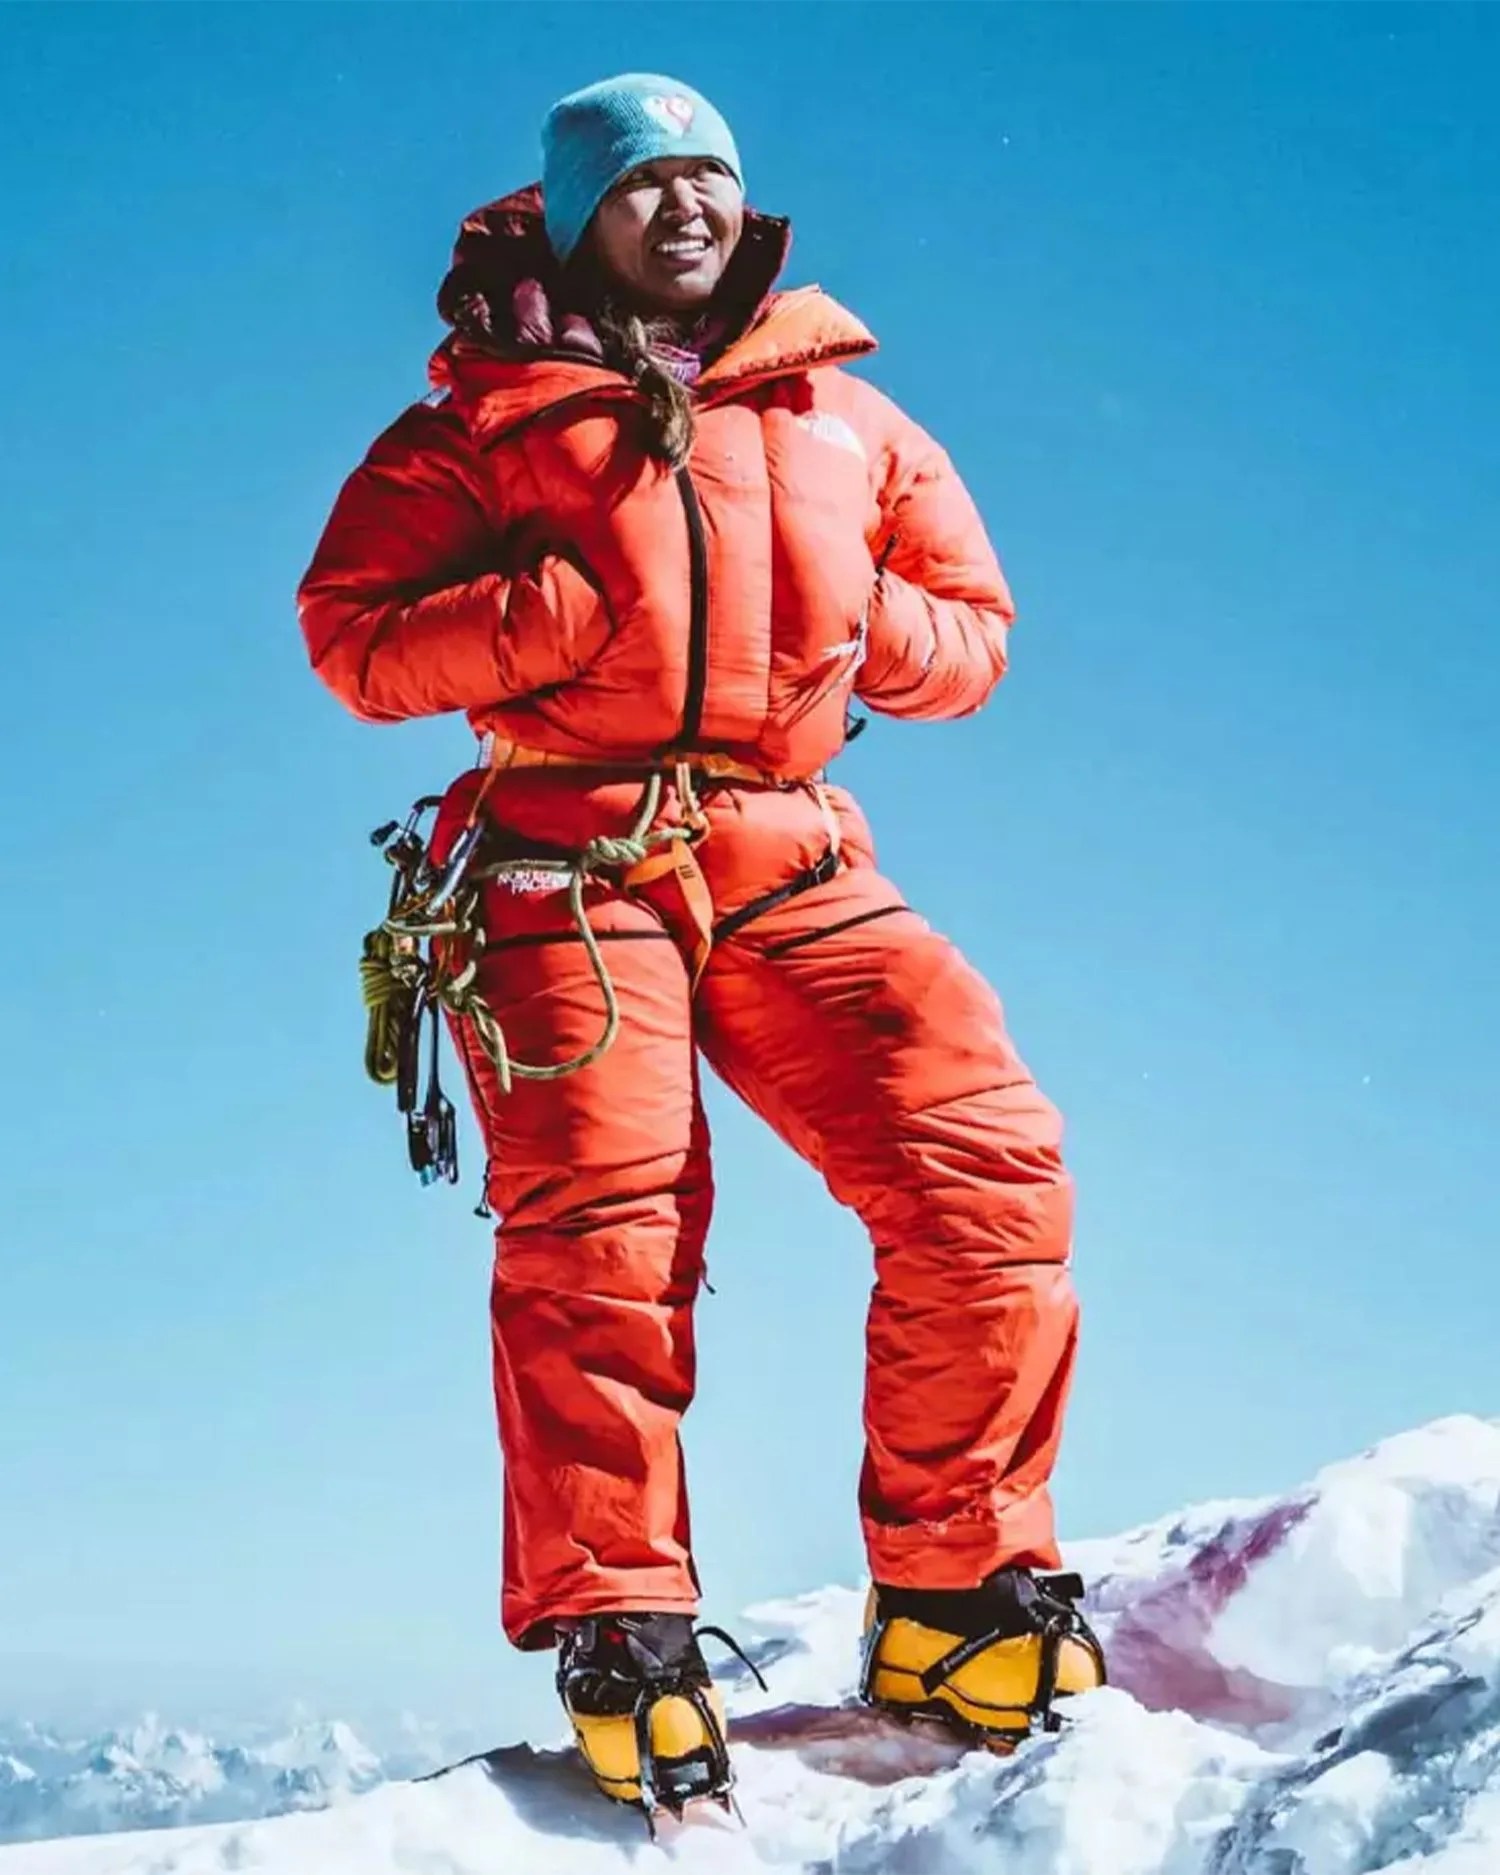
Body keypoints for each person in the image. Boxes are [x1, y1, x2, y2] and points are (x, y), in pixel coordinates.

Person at [299, 73, 1104, 1819]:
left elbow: (974, 638)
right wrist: (553, 615)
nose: (686, 204)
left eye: (712, 177)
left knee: (990, 1170)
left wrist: (860, 619)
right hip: (563, 860)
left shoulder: (851, 422)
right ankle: (625, 1622)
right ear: (576, 212)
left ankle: (959, 1591)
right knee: (609, 1223)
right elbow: (352, 641)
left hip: (791, 848)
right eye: (645, 179)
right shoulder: (484, 421)